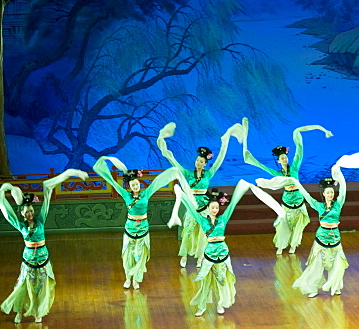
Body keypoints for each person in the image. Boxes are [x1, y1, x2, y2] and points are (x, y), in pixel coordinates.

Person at [258, 151, 359, 297]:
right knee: (316, 264)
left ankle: (335, 287)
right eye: (327, 193)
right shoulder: (318, 205)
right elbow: (305, 195)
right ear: (323, 194)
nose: (330, 194)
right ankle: (312, 287)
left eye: (331, 192)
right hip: (321, 238)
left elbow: (343, 189)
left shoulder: (338, 204)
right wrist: (296, 182)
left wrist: (339, 171)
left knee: (337, 264)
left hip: (335, 237)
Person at [173, 182, 280, 316]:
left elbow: (233, 204)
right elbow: (190, 206)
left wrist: (241, 189)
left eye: (216, 207)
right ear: (208, 207)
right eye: (212, 207)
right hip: (209, 253)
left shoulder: (223, 219)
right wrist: (181, 193)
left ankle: (220, 304)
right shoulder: (203, 220)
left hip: (222, 253)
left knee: (221, 280)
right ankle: (202, 306)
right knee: (205, 281)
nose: (214, 210)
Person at [0, 169, 88, 323]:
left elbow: (47, 198)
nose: (29, 214)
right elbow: (7, 212)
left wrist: (69, 173)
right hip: (28, 260)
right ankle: (19, 311)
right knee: (24, 285)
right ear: (22, 214)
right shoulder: (20, 226)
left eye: (31, 211)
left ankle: (39, 311)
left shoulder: (41, 221)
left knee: (42, 286)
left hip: (43, 258)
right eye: (26, 212)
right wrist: (4, 189)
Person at [241, 121, 333, 254]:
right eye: (281, 158)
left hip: (299, 201)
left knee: (298, 226)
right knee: (283, 225)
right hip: (287, 203)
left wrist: (315, 129)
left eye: (285, 157)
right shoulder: (278, 174)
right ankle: (280, 245)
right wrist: (249, 157)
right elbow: (262, 166)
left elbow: (299, 150)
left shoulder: (294, 167)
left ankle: (294, 245)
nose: (284, 159)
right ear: (278, 161)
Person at [157, 121, 239, 268]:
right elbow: (175, 164)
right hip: (192, 205)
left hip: (205, 206)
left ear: (205, 163)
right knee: (188, 230)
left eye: (201, 161)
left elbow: (219, 161)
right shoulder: (188, 174)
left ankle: (200, 258)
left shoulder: (208, 174)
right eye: (197, 160)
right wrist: (167, 152)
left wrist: (224, 144)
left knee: (203, 233)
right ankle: (184, 256)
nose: (198, 162)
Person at [92, 156, 181, 289]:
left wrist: (173, 171)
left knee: (140, 255)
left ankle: (136, 279)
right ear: (129, 186)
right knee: (128, 254)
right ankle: (128, 277)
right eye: (133, 185)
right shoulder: (126, 195)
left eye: (137, 184)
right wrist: (103, 168)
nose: (135, 186)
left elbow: (157, 182)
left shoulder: (146, 194)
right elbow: (113, 183)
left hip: (143, 227)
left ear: (140, 184)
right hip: (130, 228)